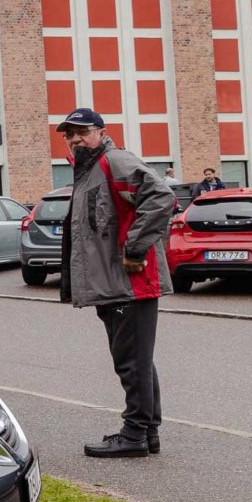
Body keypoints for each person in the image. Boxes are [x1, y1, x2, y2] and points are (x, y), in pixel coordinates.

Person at [57, 107, 176, 458]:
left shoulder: (114, 161)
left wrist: (136, 249)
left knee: (131, 361)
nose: (76, 138)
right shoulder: (90, 170)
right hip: (112, 284)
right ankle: (147, 432)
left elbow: (161, 197)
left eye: (82, 131)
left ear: (101, 132)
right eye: (69, 134)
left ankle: (134, 434)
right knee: (136, 359)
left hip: (130, 283)